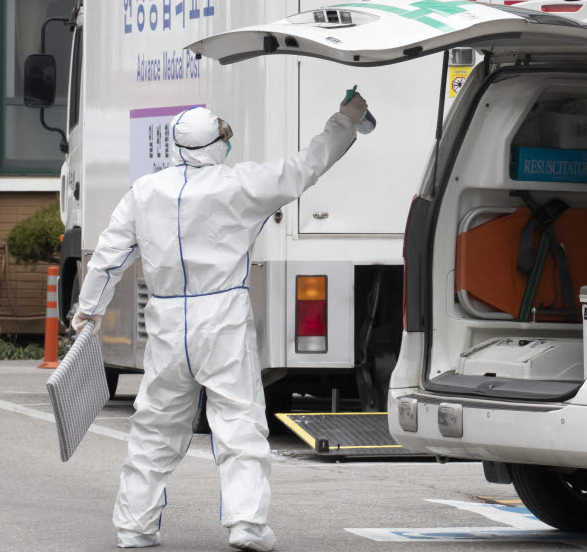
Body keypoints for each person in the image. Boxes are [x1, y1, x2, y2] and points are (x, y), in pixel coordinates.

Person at [71, 93, 369, 551]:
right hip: (222, 317)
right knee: (238, 422)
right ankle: (246, 523)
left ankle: (134, 527)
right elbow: (307, 164)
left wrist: (88, 309)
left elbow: (110, 256)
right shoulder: (240, 185)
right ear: (216, 144)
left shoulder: (144, 191)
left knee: (154, 426)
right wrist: (345, 119)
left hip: (168, 321)